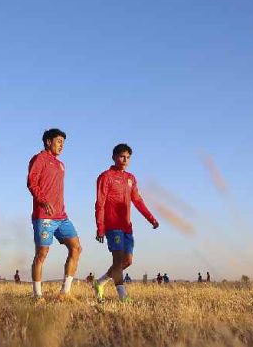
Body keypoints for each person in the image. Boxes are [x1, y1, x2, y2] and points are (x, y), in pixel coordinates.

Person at [93, 143, 159, 302]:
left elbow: (137, 201)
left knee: (127, 261)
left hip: (126, 226)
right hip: (112, 225)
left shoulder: (130, 178)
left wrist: (151, 218)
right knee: (117, 260)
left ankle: (100, 282)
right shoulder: (105, 176)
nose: (125, 160)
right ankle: (123, 297)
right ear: (114, 157)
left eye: (128, 157)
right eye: (122, 156)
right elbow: (100, 203)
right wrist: (100, 227)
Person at [28, 128, 81, 301]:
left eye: (63, 142)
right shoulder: (39, 158)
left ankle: (65, 292)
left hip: (62, 216)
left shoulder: (61, 164)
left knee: (76, 248)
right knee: (42, 254)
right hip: (44, 215)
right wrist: (43, 201)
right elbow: (31, 183)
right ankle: (37, 296)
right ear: (48, 142)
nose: (62, 145)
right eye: (59, 141)